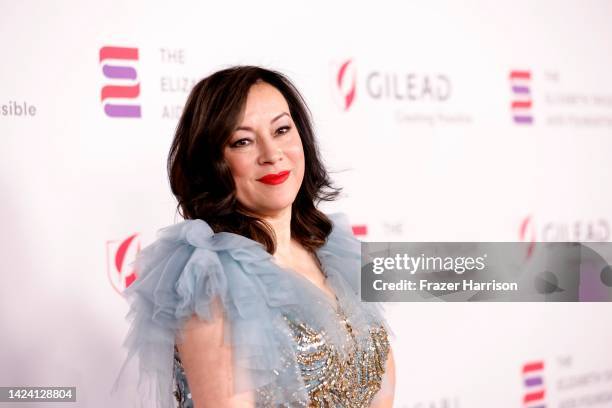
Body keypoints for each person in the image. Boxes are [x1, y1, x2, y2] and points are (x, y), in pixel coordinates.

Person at [112, 66, 395, 407]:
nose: (271, 153)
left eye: (281, 130)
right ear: (213, 162)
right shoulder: (212, 279)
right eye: (243, 141)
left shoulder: (334, 252)